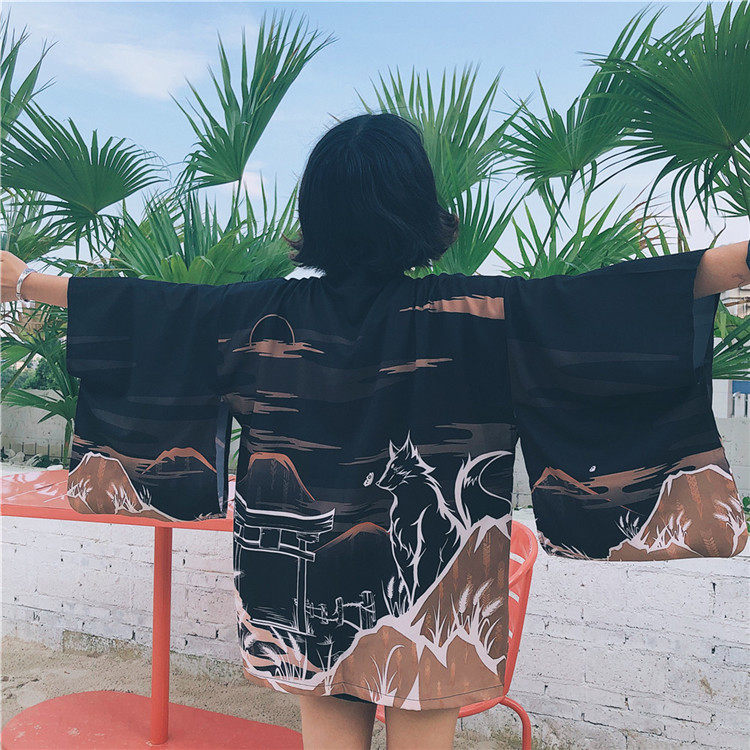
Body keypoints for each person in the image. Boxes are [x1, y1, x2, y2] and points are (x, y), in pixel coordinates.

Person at [1, 113, 749, 750]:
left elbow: (148, 314)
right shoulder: (485, 314)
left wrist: (25, 281)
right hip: (442, 576)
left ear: (316, 213)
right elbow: (621, 301)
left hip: (296, 580)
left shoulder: (253, 315)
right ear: (419, 209)